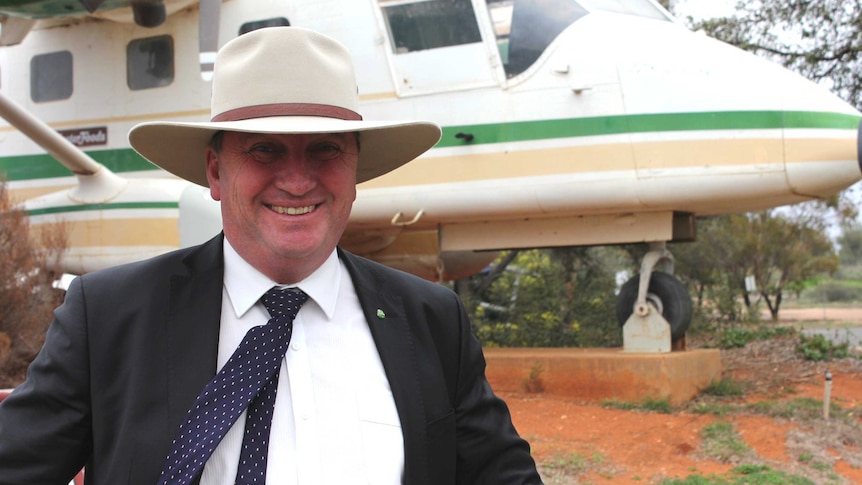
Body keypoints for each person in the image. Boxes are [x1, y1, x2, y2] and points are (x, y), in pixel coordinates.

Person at [0, 26, 542, 485]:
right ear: (215, 171)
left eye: (325, 149)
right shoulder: (111, 315)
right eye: (265, 149)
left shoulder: (429, 321)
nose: (298, 180)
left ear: (355, 169)